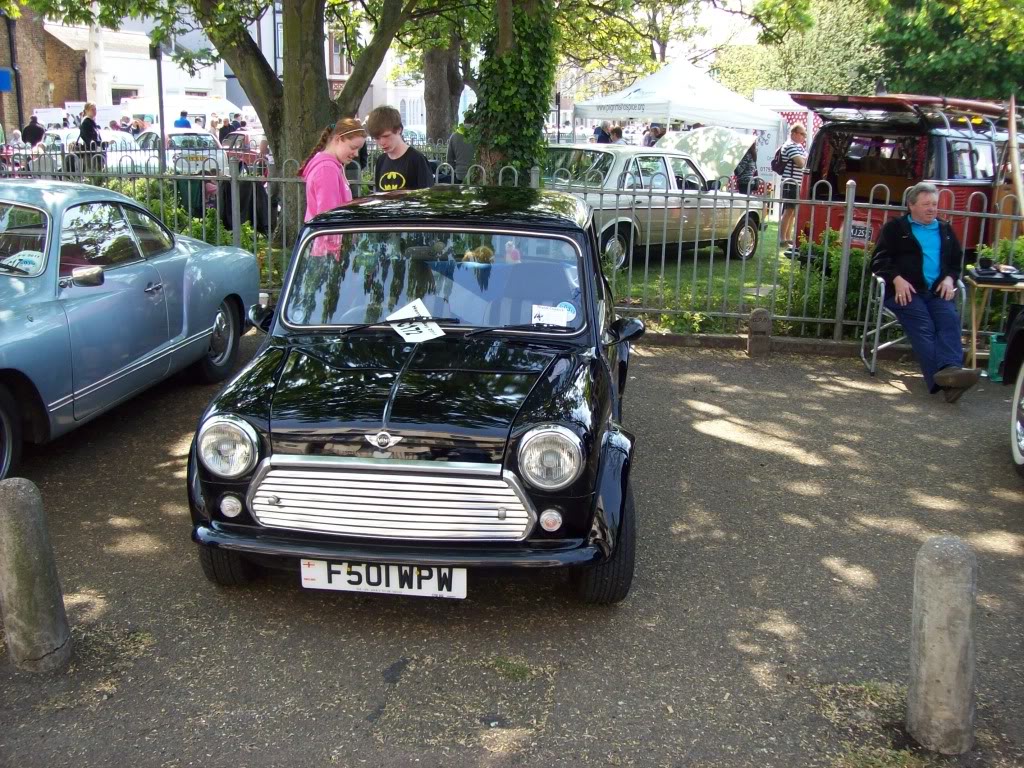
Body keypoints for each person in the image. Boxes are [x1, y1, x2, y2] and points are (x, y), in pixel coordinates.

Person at [869, 182, 978, 402]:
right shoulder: (895, 229)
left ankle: (949, 372)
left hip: (936, 291)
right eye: (926, 204)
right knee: (924, 325)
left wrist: (949, 278)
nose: (932, 209)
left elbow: (956, 262)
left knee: (949, 320)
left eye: (935, 204)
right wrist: (896, 279)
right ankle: (946, 380)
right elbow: (878, 261)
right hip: (905, 292)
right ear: (911, 205)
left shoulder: (945, 230)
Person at [298, 117, 367, 222]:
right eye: (353, 147)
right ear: (338, 139)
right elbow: (328, 219)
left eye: (359, 149)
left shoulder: (329, 166)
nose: (356, 154)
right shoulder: (327, 169)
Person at [366, 105, 434, 192]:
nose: (382, 142)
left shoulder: (417, 159)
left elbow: (426, 195)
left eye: (386, 136)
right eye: (377, 138)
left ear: (399, 130)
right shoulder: (381, 160)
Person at [778, 123, 807, 249]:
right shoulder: (790, 146)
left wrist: (804, 157)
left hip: (797, 183)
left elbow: (805, 159)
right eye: (802, 133)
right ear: (794, 133)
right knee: (788, 210)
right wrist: (804, 157)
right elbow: (801, 163)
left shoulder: (798, 146)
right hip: (790, 183)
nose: (803, 136)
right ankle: (782, 238)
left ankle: (788, 237)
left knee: (793, 212)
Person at [445, 110, 476, 184]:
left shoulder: (454, 135)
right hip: (475, 173)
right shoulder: (478, 135)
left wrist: (453, 171)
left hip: (459, 174)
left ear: (464, 121)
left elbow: (449, 158)